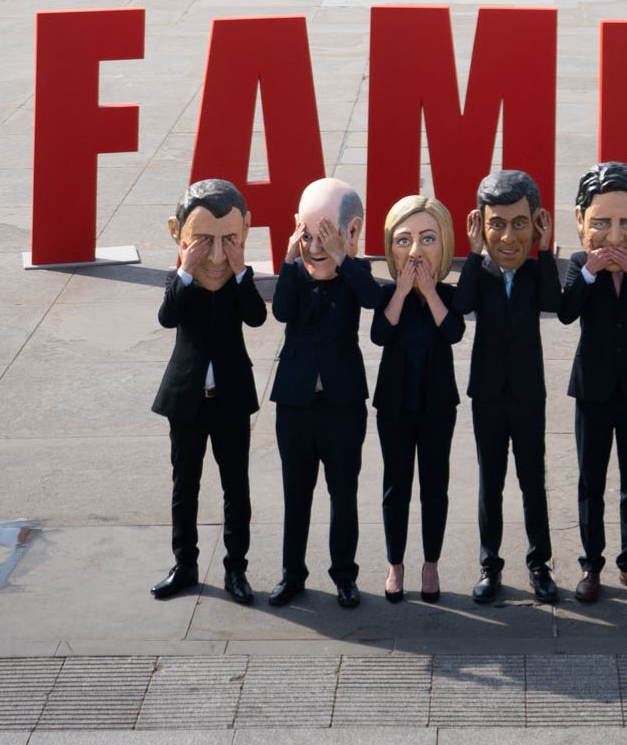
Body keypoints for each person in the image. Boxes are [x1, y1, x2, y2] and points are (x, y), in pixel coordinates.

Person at [558, 161, 627, 603]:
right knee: (591, 478)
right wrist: (591, 269)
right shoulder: (578, 265)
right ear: (582, 222)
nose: (615, 235)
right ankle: (591, 565)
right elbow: (566, 312)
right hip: (592, 388)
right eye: (602, 223)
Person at [151, 179, 267, 605]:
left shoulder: (237, 282)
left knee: (236, 487)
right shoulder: (179, 281)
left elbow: (256, 317)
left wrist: (240, 271)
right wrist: (185, 266)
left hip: (231, 400)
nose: (214, 254)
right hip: (187, 401)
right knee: (186, 486)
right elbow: (168, 317)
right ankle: (185, 565)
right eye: (203, 241)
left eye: (228, 240)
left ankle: (236, 569)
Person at [269, 177, 382, 609]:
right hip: (295, 405)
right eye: (309, 235)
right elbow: (280, 312)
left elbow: (373, 300)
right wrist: (286, 261)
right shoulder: (296, 273)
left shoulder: (356, 275)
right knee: (296, 493)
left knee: (343, 493)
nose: (316, 246)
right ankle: (291, 574)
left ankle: (344, 576)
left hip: (342, 405)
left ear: (350, 233)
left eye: (326, 236)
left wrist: (343, 258)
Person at [449, 169, 560, 605]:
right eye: (497, 224)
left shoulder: (535, 274)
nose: (508, 237)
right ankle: (489, 565)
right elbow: (460, 306)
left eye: (519, 224)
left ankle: (539, 564)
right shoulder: (483, 272)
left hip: (529, 394)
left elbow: (556, 305)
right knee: (489, 481)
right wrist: (475, 255)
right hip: (489, 395)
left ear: (535, 223)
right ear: (480, 224)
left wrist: (547, 250)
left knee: (533, 481)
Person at [370, 195, 463, 604]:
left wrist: (428, 290)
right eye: (404, 240)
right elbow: (380, 334)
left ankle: (430, 563)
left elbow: (454, 331)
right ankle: (395, 564)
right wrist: (404, 290)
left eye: (427, 238)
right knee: (396, 485)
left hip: (437, 404)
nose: (416, 251)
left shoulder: (448, 293)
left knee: (434, 485)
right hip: (394, 404)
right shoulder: (389, 293)